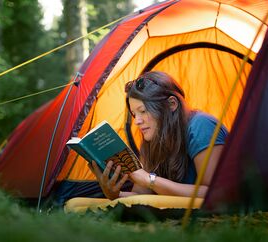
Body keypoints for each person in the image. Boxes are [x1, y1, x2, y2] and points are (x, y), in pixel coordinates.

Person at [89, 71, 229, 200]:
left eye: (143, 111)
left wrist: (150, 180)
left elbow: (215, 193)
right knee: (75, 203)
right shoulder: (152, 137)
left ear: (171, 104)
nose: (137, 121)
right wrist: (114, 194)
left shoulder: (201, 126)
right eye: (134, 114)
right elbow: (140, 194)